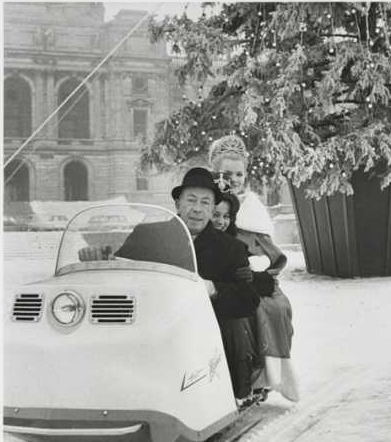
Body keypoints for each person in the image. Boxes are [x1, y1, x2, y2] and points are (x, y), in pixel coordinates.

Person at [80, 167, 260, 401]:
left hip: (202, 341)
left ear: (213, 208)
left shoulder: (231, 248)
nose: (197, 208)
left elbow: (248, 300)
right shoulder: (148, 234)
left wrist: (213, 289)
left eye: (206, 203)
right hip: (149, 331)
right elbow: (120, 272)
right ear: (177, 204)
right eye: (191, 200)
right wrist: (98, 261)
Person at [209, 135, 300, 402]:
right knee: (245, 311)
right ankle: (244, 377)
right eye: (226, 173)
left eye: (239, 174)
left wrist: (263, 271)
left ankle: (264, 377)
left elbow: (267, 251)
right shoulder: (210, 203)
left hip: (252, 277)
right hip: (222, 280)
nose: (234, 179)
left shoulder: (251, 209)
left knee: (274, 307)